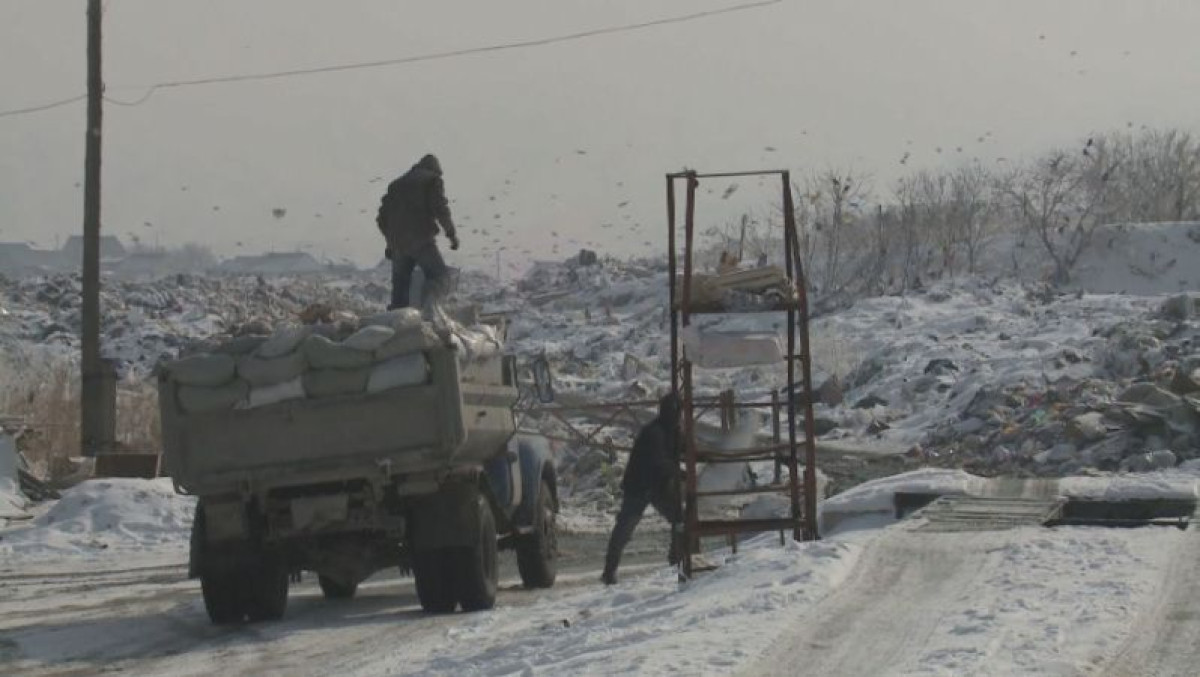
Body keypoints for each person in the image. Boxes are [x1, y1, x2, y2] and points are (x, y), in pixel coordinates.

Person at [601, 393, 683, 585]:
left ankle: (676, 558)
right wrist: (679, 471)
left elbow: (683, 448)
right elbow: (658, 463)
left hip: (657, 486)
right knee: (624, 529)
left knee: (680, 518)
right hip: (639, 487)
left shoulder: (671, 432)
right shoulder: (654, 433)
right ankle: (609, 571)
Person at [376, 154, 460, 311]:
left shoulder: (395, 185)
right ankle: (430, 310)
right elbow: (440, 209)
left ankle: (397, 325)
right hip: (420, 239)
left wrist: (391, 242)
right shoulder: (431, 180)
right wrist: (451, 234)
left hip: (398, 246)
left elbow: (381, 220)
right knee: (439, 276)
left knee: (400, 290)